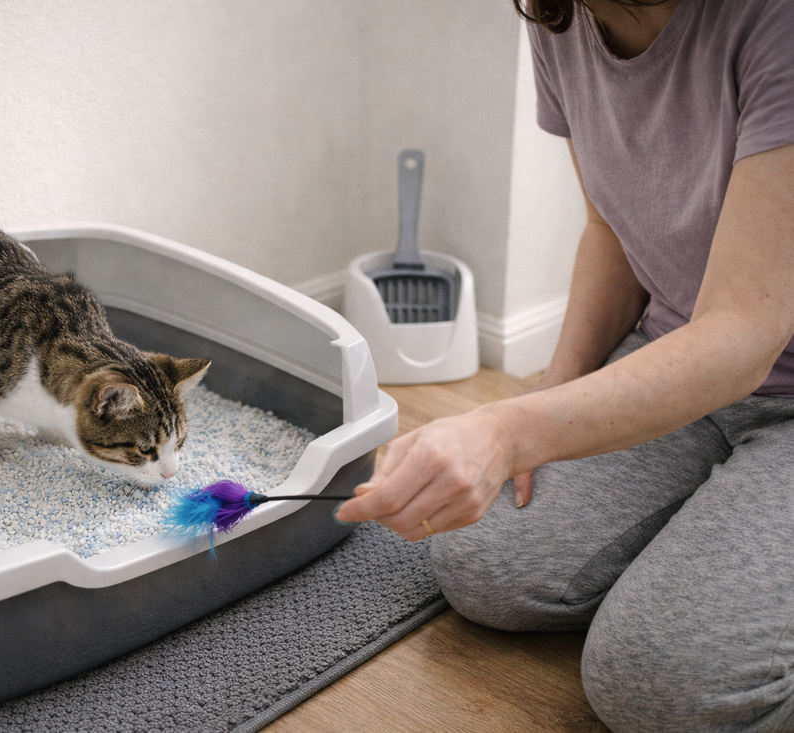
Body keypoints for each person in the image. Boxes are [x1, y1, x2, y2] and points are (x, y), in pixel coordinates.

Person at [334, 0, 794, 730]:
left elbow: (744, 332)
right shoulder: (559, 15)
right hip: (685, 359)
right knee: (481, 558)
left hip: (762, 373)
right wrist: (555, 397)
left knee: (659, 680)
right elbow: (611, 230)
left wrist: (513, 429)